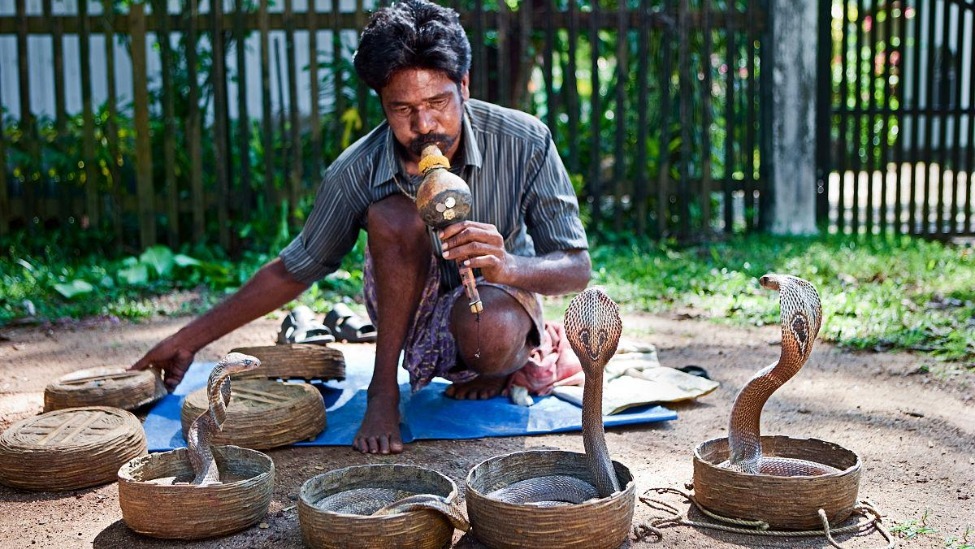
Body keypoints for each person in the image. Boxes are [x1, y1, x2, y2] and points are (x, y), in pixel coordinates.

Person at [130, 0, 590, 455]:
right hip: (405, 318)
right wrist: (185, 341)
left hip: (494, 307)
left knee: (490, 331)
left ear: (464, 86)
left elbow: (576, 266)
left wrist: (509, 266)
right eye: (402, 108)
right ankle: (384, 389)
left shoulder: (524, 139)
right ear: (382, 104)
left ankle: (495, 371)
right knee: (395, 214)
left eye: (437, 102)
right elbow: (295, 269)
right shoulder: (355, 170)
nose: (424, 125)